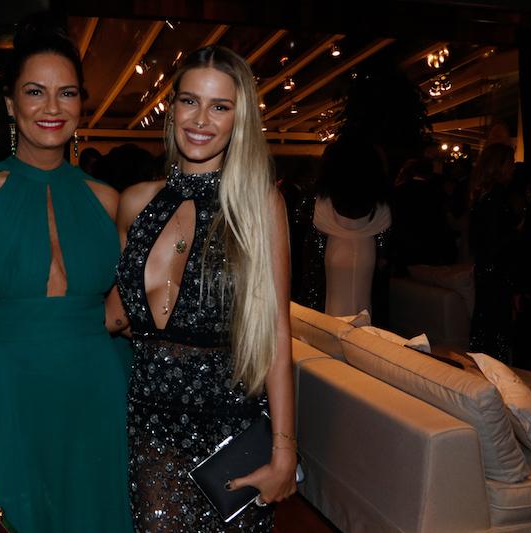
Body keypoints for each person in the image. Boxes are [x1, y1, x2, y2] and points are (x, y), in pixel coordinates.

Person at [0, 18, 132, 533]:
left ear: (81, 104)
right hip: (5, 403)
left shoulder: (108, 201)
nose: (52, 107)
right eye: (35, 92)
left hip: (97, 404)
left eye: (67, 93)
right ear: (11, 104)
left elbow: (125, 313)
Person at [107, 45, 296, 532]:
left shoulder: (259, 206)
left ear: (239, 118)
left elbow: (277, 332)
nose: (201, 120)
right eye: (189, 101)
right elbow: (115, 313)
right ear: (171, 108)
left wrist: (284, 450)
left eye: (220, 106)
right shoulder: (134, 203)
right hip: (150, 428)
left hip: (231, 429)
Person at [297, 135, 392, 321]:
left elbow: (305, 219)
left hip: (335, 248)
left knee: (334, 302)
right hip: (366, 249)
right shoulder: (376, 201)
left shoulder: (322, 199)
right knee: (362, 301)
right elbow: (385, 229)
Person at [468, 143, 521, 363]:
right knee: (498, 326)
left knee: (485, 322)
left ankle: (482, 365)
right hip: (498, 270)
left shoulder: (481, 195)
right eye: (510, 163)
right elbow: (500, 242)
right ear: (499, 166)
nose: (513, 167)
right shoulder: (499, 197)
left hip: (485, 268)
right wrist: (517, 230)